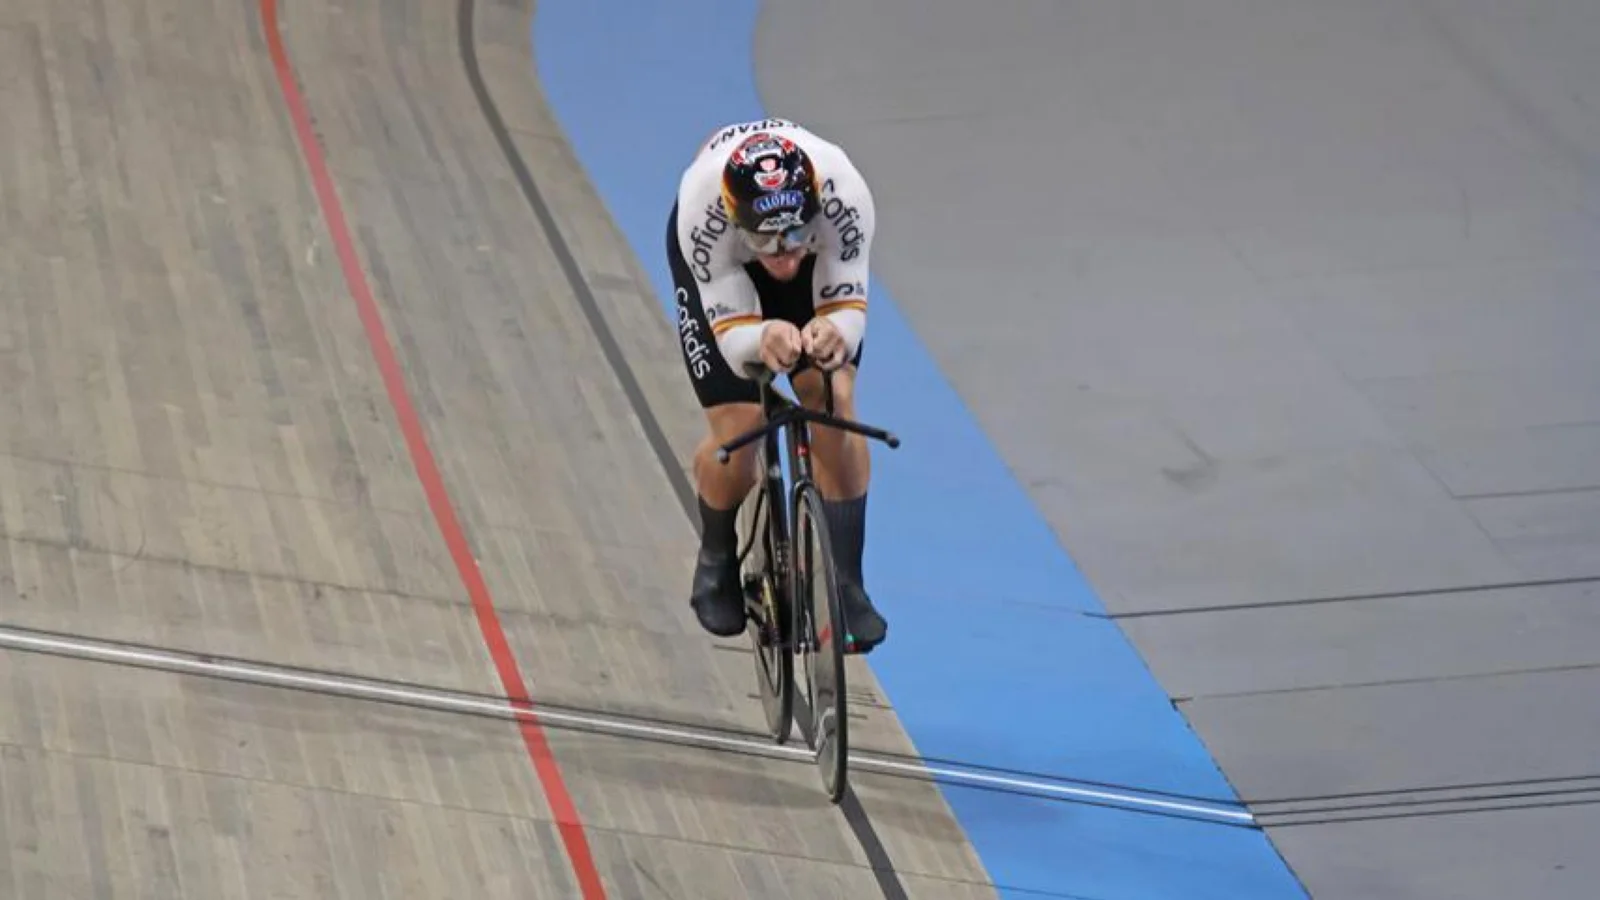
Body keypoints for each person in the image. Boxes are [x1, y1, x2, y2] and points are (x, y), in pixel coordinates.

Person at [665, 118, 887, 653]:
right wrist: (761, 336)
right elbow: (729, 334)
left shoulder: (845, 194)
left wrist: (834, 330)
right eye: (769, 242)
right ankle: (717, 554)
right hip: (727, 279)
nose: (785, 256)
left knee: (834, 399)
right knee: (741, 426)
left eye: (795, 237)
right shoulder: (703, 214)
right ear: (738, 219)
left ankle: (847, 584)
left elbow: (848, 304)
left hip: (821, 271)